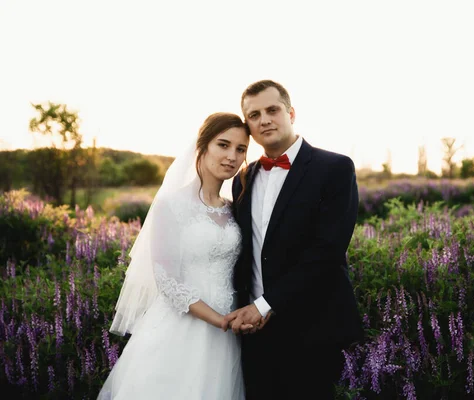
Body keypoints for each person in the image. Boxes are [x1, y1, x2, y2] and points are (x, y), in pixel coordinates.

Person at [98, 113, 252, 399]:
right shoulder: (172, 205)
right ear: (203, 146)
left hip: (227, 333)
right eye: (223, 145)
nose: (232, 156)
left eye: (240, 149)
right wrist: (218, 320)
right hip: (183, 328)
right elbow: (167, 281)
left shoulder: (233, 209)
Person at [228, 80, 363, 400]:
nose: (264, 120)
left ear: (291, 112)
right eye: (254, 115)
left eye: (272, 110)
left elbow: (326, 251)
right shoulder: (242, 180)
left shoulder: (335, 168)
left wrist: (265, 305)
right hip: (255, 335)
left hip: (314, 329)